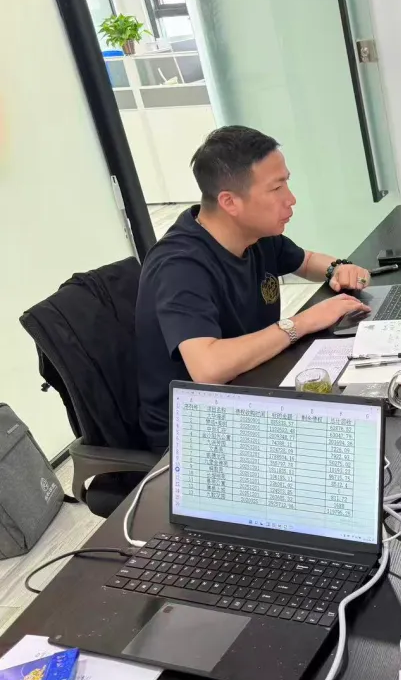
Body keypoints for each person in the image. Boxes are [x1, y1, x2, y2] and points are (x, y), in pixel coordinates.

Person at [136, 125, 373, 452]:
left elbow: (305, 261)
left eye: (286, 182)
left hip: (251, 389)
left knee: (367, 400)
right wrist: (302, 322)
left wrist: (338, 268)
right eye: (276, 188)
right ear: (230, 201)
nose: (291, 199)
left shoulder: (254, 235)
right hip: (195, 430)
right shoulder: (180, 266)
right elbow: (208, 368)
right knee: (354, 436)